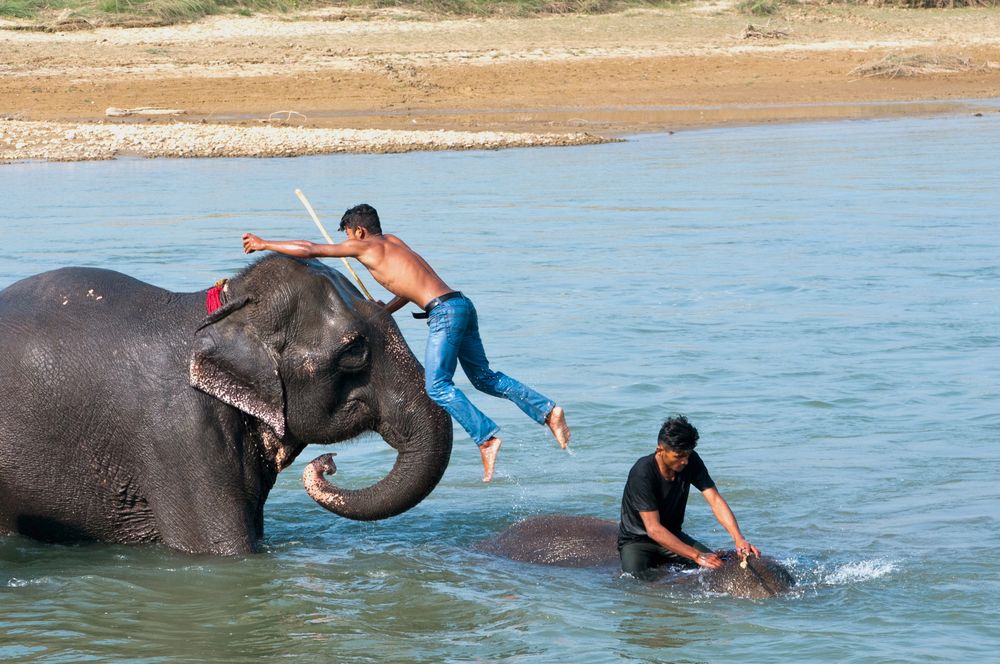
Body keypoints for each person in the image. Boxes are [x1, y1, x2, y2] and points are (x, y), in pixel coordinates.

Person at [242, 203, 570, 482]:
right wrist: (386, 309)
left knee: (438, 386)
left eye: (346, 236)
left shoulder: (365, 246)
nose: (346, 242)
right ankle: (548, 411)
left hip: (444, 313)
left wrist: (264, 243)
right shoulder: (394, 241)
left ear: (358, 232)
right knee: (484, 377)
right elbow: (408, 286)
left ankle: (485, 439)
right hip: (460, 305)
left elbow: (310, 249)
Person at [617, 415, 760, 578]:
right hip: (638, 541)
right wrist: (697, 556)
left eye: (688, 454)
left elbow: (715, 500)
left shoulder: (691, 460)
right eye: (679, 456)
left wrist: (738, 538)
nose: (685, 461)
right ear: (660, 450)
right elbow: (654, 529)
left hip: (673, 535)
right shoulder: (642, 473)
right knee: (634, 582)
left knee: (719, 568)